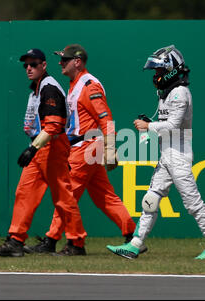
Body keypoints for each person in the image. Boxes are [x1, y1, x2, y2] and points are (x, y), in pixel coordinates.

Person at [106, 45, 205, 259]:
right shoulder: (167, 92)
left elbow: (173, 125)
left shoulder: (180, 93)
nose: (156, 75)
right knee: (150, 198)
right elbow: (165, 123)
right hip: (167, 154)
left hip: (178, 155)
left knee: (192, 202)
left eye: (159, 70)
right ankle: (136, 244)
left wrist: (147, 127)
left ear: (170, 70)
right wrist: (151, 123)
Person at [26, 44, 139, 256]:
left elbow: (106, 117)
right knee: (104, 196)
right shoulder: (76, 84)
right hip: (86, 145)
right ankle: (134, 236)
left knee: (66, 195)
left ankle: (55, 241)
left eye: (65, 59)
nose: (60, 63)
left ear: (77, 62)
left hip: (86, 146)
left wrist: (111, 147)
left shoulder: (88, 85)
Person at [0, 49, 86, 257]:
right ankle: (15, 241)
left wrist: (33, 148)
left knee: (63, 197)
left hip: (50, 146)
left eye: (33, 64)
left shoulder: (49, 88)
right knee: (24, 194)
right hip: (40, 148)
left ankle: (76, 243)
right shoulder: (38, 88)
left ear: (44, 65)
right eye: (26, 65)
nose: (29, 68)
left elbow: (54, 125)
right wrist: (34, 147)